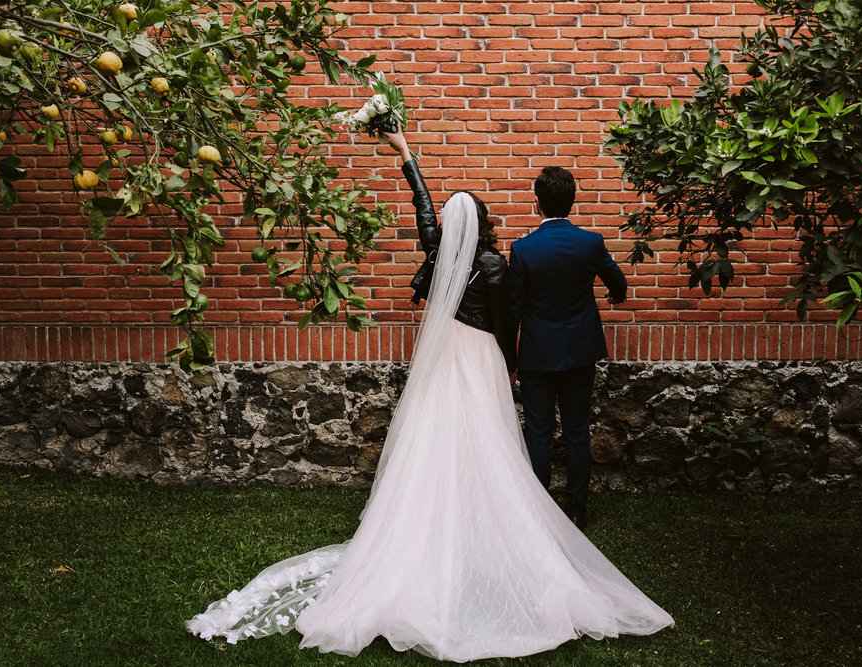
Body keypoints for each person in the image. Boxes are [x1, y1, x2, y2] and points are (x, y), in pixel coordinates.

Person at [186, 132, 672, 661]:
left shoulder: (443, 253)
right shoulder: (497, 263)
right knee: (501, 438)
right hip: (495, 355)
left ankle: (447, 520)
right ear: (486, 223)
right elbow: (510, 317)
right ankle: (539, 516)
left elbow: (424, 212)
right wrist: (510, 361)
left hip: (448, 359)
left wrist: (406, 156)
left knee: (443, 437)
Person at [509, 167, 628, 530]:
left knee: (539, 433)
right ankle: (577, 509)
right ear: (572, 200)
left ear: (537, 204)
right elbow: (618, 282)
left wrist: (507, 356)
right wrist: (615, 294)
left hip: (537, 355)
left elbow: (514, 309)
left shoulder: (523, 249)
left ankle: (539, 509)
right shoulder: (590, 242)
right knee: (577, 431)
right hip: (579, 352)